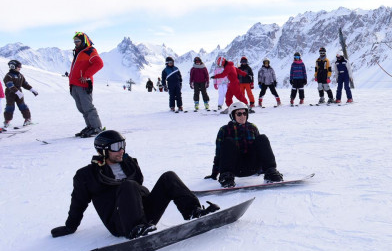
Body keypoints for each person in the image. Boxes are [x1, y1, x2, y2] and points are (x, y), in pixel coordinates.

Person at [50, 130, 218, 240]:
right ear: (102, 150)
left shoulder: (129, 163)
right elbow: (78, 202)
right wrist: (70, 226)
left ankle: (194, 212)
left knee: (168, 177)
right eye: (116, 147)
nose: (121, 150)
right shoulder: (86, 175)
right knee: (128, 185)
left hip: (144, 215)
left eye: (123, 145)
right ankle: (135, 229)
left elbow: (139, 188)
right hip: (120, 224)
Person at [205, 102, 283, 188]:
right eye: (239, 114)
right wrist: (214, 174)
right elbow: (219, 154)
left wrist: (264, 169)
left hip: (253, 166)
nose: (242, 116)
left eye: (245, 113)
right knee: (228, 141)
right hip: (235, 168)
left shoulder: (252, 127)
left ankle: (271, 173)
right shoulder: (224, 130)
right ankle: (226, 178)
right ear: (232, 115)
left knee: (262, 138)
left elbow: (261, 149)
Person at [68, 32, 104, 137]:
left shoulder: (89, 51)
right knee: (82, 108)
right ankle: (90, 126)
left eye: (78, 41)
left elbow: (99, 63)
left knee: (88, 107)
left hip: (83, 85)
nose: (75, 43)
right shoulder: (79, 52)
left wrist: (87, 75)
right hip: (75, 84)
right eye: (74, 41)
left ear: (83, 41)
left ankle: (96, 127)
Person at [3, 59, 38, 128]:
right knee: (10, 107)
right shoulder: (8, 76)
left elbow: (24, 84)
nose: (20, 68)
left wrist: (32, 89)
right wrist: (17, 92)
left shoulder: (20, 75)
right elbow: (10, 85)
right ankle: (7, 121)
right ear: (13, 67)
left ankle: (27, 119)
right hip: (10, 93)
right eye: (18, 66)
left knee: (23, 106)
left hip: (19, 93)